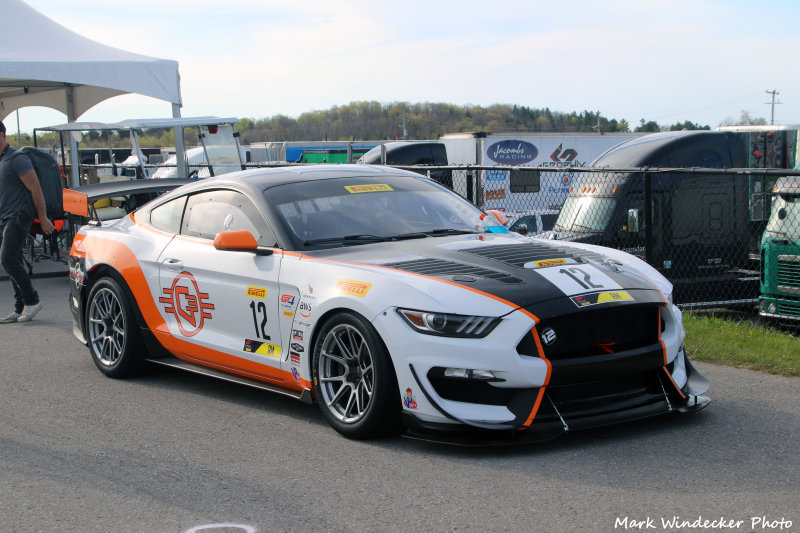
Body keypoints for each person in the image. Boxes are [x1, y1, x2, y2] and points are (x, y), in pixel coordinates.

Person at [0, 120, 55, 323]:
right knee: (14, 260)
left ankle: (32, 301)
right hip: (4, 217)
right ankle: (20, 306)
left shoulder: (17, 159)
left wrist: (42, 217)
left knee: (7, 258)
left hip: (18, 215)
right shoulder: (2, 160)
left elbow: (36, 189)